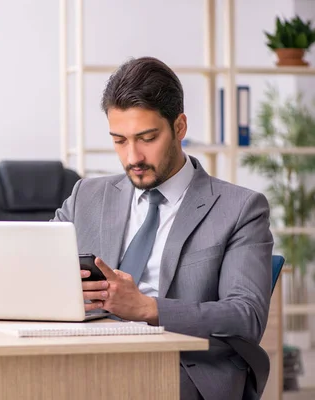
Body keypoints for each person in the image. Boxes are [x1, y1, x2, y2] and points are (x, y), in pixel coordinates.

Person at [51, 56, 273, 400]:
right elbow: (38, 264)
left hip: (181, 371)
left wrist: (147, 307)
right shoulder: (86, 196)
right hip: (86, 357)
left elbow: (245, 316)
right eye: (119, 140)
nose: (132, 157)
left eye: (147, 138)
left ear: (179, 127)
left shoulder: (240, 208)